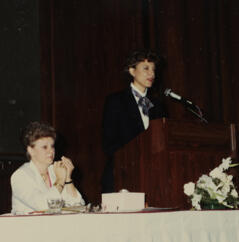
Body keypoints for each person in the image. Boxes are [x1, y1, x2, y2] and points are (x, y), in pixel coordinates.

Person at [101, 50, 167, 193]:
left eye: (153, 70)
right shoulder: (115, 101)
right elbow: (109, 143)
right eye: (146, 68)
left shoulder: (157, 105)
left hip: (152, 177)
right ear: (132, 71)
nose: (152, 74)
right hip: (123, 175)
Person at [11, 121, 85, 214]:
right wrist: (60, 180)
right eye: (45, 147)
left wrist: (68, 179)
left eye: (52, 146)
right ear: (31, 150)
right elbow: (43, 206)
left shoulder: (55, 171)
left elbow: (79, 206)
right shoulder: (20, 176)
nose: (51, 151)